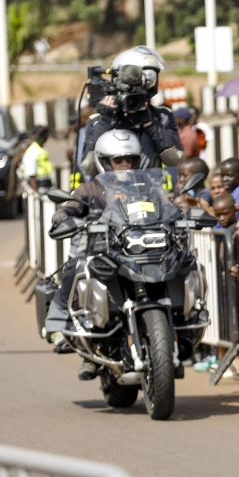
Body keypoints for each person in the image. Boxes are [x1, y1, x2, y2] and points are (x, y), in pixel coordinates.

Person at [47, 130, 143, 377]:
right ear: (103, 161)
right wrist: (63, 218)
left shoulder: (144, 187)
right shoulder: (88, 189)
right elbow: (67, 209)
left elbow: (167, 206)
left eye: (129, 159)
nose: (124, 165)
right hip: (99, 252)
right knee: (74, 270)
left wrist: (184, 209)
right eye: (118, 159)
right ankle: (61, 326)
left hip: (137, 252)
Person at [79, 46, 182, 175]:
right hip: (111, 192)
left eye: (149, 79)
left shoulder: (162, 116)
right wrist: (106, 121)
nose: (142, 87)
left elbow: (175, 158)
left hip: (149, 192)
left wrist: (150, 124)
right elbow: (89, 166)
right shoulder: (98, 120)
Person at [20, 125, 53, 192]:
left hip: (46, 184)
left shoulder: (41, 149)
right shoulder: (32, 151)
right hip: (39, 186)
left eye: (45, 134)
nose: (44, 136)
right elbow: (32, 177)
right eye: (41, 134)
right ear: (34, 135)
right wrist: (36, 195)